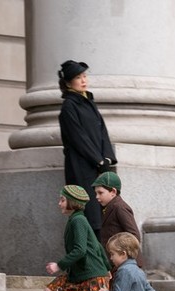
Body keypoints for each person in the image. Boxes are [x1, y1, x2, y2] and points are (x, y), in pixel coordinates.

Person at [58, 60, 117, 241]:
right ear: (68, 83)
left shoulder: (89, 102)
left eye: (84, 76)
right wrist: (98, 160)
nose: (83, 80)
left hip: (97, 166)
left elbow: (102, 132)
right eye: (78, 77)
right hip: (81, 166)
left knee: (102, 213)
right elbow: (78, 138)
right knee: (89, 215)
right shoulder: (69, 106)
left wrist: (107, 157)